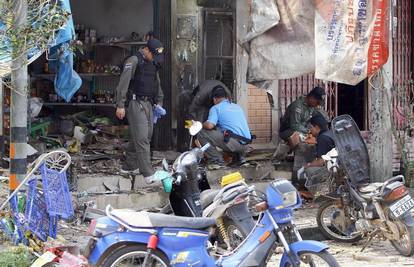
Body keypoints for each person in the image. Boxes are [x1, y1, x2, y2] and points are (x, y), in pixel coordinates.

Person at [115, 38, 165, 184]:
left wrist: (159, 102)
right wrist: (120, 104)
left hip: (148, 103)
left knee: (144, 135)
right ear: (147, 50)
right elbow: (123, 83)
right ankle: (148, 174)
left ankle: (129, 166)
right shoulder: (134, 60)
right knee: (142, 137)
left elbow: (157, 83)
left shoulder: (152, 63)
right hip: (135, 103)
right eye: (153, 55)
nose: (155, 59)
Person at [198, 86, 251, 166]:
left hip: (235, 144)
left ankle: (217, 160)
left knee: (201, 133)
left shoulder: (216, 108)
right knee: (223, 131)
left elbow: (209, 125)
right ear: (226, 97)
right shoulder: (237, 106)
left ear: (214, 99)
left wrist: (199, 124)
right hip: (246, 145)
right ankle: (238, 157)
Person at [298, 113, 335, 187]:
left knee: (309, 170)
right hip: (336, 166)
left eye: (311, 127)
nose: (309, 130)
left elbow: (320, 162)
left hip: (334, 170)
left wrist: (306, 166)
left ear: (317, 127)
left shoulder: (323, 138)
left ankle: (321, 191)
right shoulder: (330, 133)